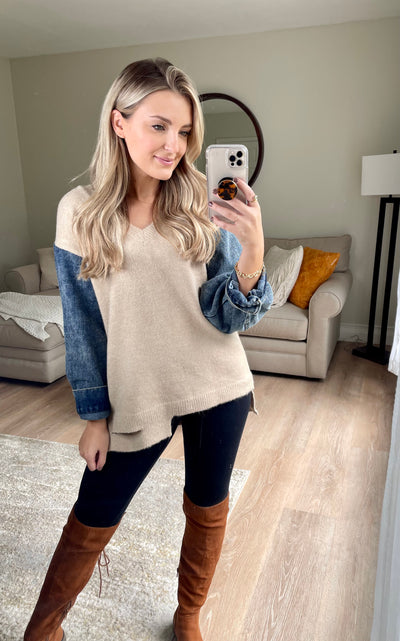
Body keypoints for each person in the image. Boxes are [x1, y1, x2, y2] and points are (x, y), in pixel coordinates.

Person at [24, 57, 272, 641]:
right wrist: (94, 417)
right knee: (95, 508)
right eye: (158, 126)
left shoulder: (203, 200)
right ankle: (44, 628)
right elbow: (83, 324)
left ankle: (188, 615)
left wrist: (253, 249)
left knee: (207, 506)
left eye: (183, 131)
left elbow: (228, 314)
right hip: (138, 390)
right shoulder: (79, 211)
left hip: (218, 384)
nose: (173, 145)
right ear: (119, 122)